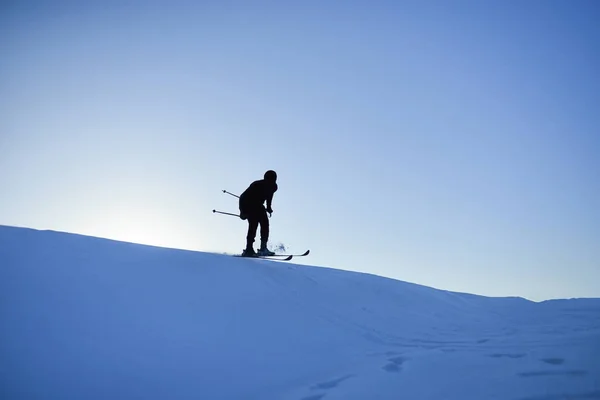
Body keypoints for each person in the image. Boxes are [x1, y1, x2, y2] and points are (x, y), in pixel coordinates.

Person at [239, 170, 278, 257]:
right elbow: (242, 197)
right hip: (249, 204)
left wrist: (268, 207)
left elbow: (269, 196)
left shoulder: (273, 187)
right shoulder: (256, 185)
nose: (270, 182)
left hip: (258, 206)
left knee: (263, 224)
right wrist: (242, 211)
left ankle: (261, 248)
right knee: (254, 225)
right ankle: (250, 249)